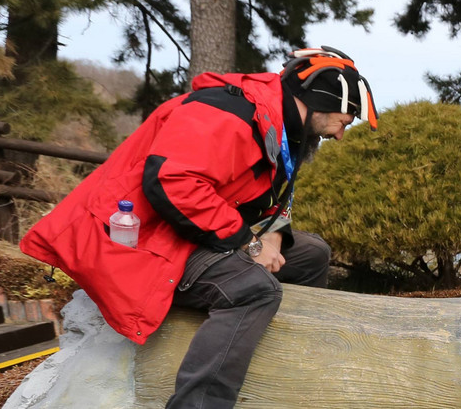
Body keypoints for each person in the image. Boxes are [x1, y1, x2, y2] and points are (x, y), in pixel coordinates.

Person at [19, 45, 378, 408]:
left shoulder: (275, 123)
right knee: (255, 290)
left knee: (313, 254)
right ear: (320, 100)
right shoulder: (228, 112)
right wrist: (249, 245)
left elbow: (261, 201)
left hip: (187, 229)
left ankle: (286, 363)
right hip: (142, 237)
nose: (340, 135)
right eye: (343, 122)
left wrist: (271, 234)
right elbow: (171, 184)